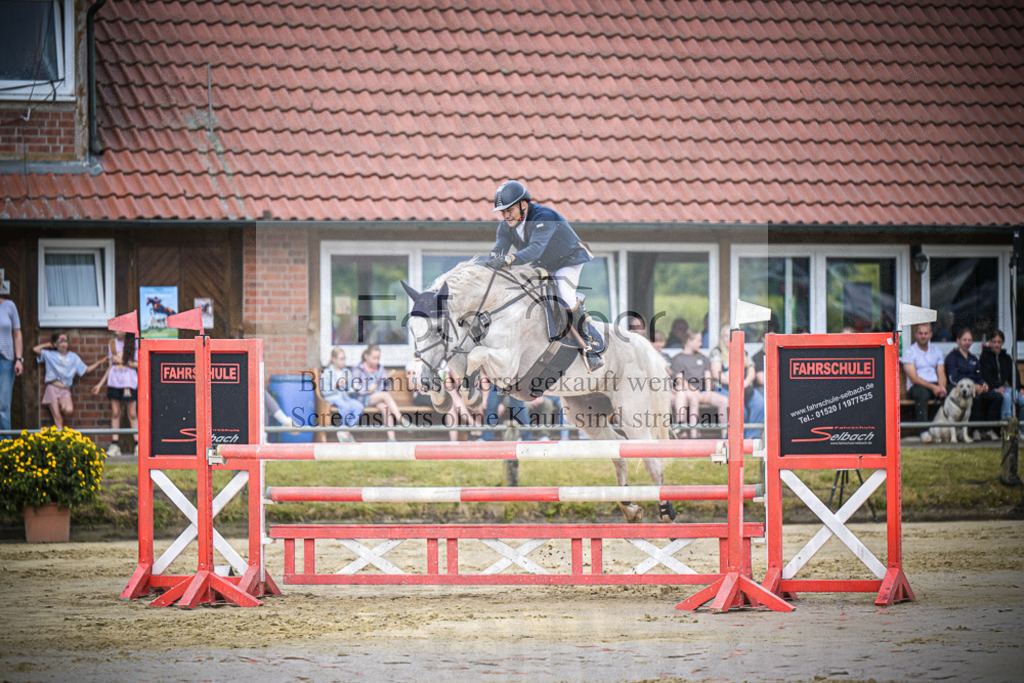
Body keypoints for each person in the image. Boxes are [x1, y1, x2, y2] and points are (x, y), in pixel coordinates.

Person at [484, 180, 604, 370]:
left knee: (564, 294)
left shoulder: (544, 217)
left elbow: (535, 250)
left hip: (569, 260)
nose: (506, 215)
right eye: (503, 211)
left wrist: (507, 260)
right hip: (545, 264)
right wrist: (490, 262)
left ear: (523, 205)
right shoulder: (505, 227)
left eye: (510, 210)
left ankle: (589, 347)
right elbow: (498, 250)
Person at [33, 332, 104, 429]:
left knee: (69, 410)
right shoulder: (50, 355)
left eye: (65, 341)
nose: (63, 343)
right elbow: (35, 349)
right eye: (60, 341)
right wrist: (49, 345)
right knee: (58, 418)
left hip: (65, 389)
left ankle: (60, 406)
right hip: (52, 388)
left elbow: (86, 370)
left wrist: (100, 362)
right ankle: (61, 440)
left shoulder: (73, 357)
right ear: (55, 344)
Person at [944, 328, 1001, 440]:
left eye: (970, 340)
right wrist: (972, 387)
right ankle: (975, 430)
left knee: (997, 397)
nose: (967, 342)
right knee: (977, 398)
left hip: (975, 387)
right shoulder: (952, 357)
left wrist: (983, 383)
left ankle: (989, 429)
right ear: (958, 340)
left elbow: (978, 374)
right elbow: (953, 377)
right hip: (960, 389)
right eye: (964, 340)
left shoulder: (973, 358)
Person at [708, 324, 764, 439]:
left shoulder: (743, 351)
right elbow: (716, 374)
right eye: (725, 336)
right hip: (724, 388)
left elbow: (751, 370)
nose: (727, 338)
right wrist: (734, 384)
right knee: (739, 409)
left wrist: (746, 382)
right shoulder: (716, 352)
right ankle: (736, 438)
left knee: (760, 404)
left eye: (730, 335)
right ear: (721, 338)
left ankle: (751, 438)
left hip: (744, 387)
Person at [671, 330, 728, 438]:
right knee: (694, 399)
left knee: (724, 401)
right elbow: (679, 379)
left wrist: (708, 391)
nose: (700, 344)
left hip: (702, 392)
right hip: (687, 391)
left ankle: (725, 434)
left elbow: (708, 376)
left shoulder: (702, 358)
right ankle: (693, 435)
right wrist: (693, 390)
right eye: (698, 341)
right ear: (689, 341)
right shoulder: (678, 358)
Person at [91, 330, 139, 456]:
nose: (117, 332)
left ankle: (138, 444)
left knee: (132, 413)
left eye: (119, 329)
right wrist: (100, 384)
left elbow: (140, 364)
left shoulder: (134, 343)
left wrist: (127, 362)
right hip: (115, 381)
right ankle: (115, 444)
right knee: (115, 412)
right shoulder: (112, 343)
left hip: (129, 382)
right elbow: (111, 365)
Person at [900, 323, 948, 443]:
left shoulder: (936, 351)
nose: (923, 336)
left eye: (926, 333)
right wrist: (933, 387)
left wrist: (942, 387)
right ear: (916, 334)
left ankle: (953, 430)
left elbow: (941, 373)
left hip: (935, 385)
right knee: (922, 394)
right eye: (920, 333)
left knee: (953, 392)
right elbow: (914, 378)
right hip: (917, 387)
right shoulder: (909, 352)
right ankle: (924, 432)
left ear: (930, 335)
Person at [350, 343, 400, 441]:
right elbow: (355, 387)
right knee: (385, 396)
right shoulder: (358, 369)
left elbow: (383, 387)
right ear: (366, 356)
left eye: (378, 358)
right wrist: (367, 390)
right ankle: (400, 418)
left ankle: (392, 438)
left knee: (385, 408)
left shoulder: (380, 369)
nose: (377, 361)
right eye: (374, 358)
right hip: (363, 398)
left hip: (376, 398)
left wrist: (386, 383)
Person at [320, 346, 363, 442]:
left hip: (345, 397)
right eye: (341, 359)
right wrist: (336, 386)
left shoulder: (347, 372)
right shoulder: (326, 373)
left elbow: (349, 391)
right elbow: (324, 391)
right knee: (345, 406)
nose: (344, 361)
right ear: (334, 359)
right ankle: (343, 429)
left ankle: (346, 431)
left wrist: (354, 388)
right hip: (332, 397)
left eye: (345, 358)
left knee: (358, 407)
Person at [980, 329, 1023, 422]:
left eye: (999, 342)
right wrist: (996, 386)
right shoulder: (985, 357)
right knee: (1006, 396)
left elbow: (1014, 375)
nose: (996, 345)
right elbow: (986, 376)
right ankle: (1006, 427)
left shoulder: (1007, 358)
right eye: (994, 342)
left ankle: (1021, 429)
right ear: (990, 342)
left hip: (1004, 387)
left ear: (1002, 343)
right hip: (991, 387)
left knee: (1022, 398)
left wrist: (1020, 388)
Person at [0, 293, 23, 437]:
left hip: (6, 360)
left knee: (3, 406)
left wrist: (19, 359)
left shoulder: (10, 306)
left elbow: (17, 333)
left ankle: (4, 447)